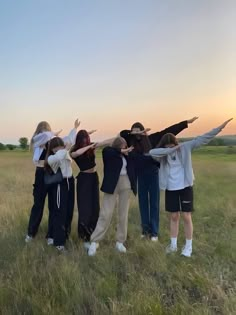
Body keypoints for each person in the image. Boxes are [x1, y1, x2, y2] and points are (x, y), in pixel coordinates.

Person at [149, 118, 233, 257]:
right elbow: (152, 153)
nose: (170, 147)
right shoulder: (162, 154)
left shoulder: (185, 147)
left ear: (175, 142)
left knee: (186, 216)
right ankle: (173, 245)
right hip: (171, 188)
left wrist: (220, 128)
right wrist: (169, 150)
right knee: (174, 217)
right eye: (167, 146)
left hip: (185, 186)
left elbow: (203, 138)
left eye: (172, 145)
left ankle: (188, 247)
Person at [120, 117, 198, 241]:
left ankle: (154, 233)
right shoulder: (131, 142)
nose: (137, 135)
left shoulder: (152, 139)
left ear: (143, 131)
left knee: (154, 204)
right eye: (134, 132)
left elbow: (168, 131)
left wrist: (184, 123)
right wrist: (136, 133)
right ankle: (145, 231)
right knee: (143, 204)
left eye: (139, 131)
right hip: (141, 176)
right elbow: (122, 133)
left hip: (153, 175)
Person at [25, 119, 80, 244]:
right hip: (40, 174)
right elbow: (40, 137)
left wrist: (75, 128)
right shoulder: (37, 141)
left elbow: (69, 140)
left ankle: (51, 235)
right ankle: (31, 233)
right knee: (38, 204)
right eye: (42, 130)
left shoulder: (53, 142)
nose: (46, 133)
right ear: (38, 131)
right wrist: (52, 132)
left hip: (52, 174)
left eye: (47, 130)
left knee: (53, 206)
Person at [88, 137, 136, 256]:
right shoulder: (108, 153)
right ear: (117, 145)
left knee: (123, 214)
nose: (125, 148)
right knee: (106, 213)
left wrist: (124, 152)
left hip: (126, 183)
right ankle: (95, 241)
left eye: (125, 146)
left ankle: (120, 242)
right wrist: (119, 151)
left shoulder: (127, 155)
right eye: (122, 145)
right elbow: (108, 150)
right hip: (112, 185)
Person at [70, 130, 115, 249]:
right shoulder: (74, 150)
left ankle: (93, 235)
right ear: (80, 140)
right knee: (85, 208)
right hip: (83, 179)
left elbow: (105, 142)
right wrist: (89, 146)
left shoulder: (91, 147)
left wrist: (116, 138)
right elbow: (76, 154)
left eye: (87, 139)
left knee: (95, 207)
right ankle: (84, 237)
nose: (86, 141)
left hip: (93, 178)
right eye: (84, 139)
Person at [45, 136, 75, 251]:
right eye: (55, 148)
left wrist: (66, 148)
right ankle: (58, 243)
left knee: (68, 211)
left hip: (70, 182)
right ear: (51, 150)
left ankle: (62, 236)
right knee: (59, 212)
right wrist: (65, 149)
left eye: (60, 147)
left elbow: (68, 154)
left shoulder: (64, 153)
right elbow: (57, 157)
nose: (58, 150)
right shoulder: (52, 158)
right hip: (60, 184)